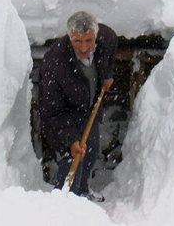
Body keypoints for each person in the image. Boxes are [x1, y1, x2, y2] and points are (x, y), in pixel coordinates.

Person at [39, 11, 117, 201]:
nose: (84, 48)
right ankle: (64, 202)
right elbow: (52, 110)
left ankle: (82, 193)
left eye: (89, 40)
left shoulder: (105, 37)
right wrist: (71, 139)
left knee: (90, 152)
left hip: (88, 108)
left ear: (96, 35)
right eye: (77, 41)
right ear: (69, 36)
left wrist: (107, 74)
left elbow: (111, 44)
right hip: (63, 116)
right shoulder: (55, 62)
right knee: (73, 159)